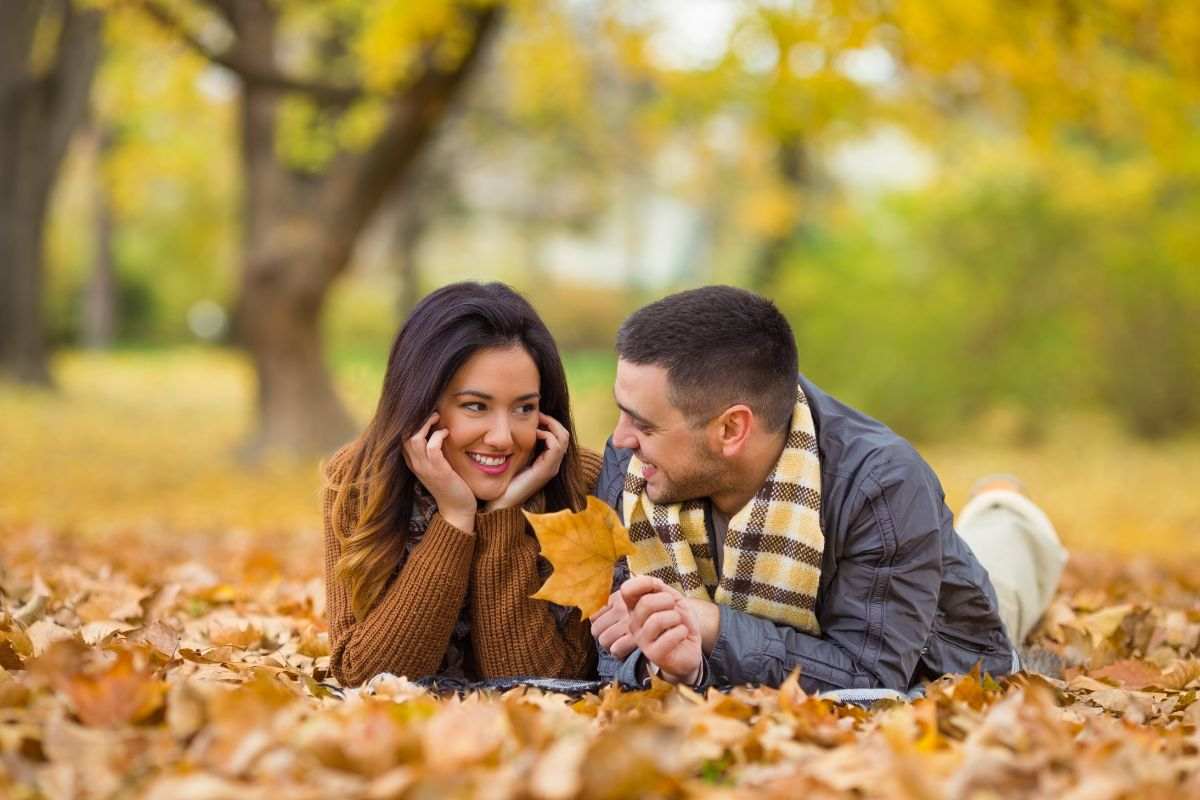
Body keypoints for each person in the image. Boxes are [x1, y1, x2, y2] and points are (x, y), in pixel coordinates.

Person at [589, 286, 1067, 696]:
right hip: (892, 577)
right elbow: (616, 652)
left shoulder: (883, 485)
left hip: (935, 637)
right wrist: (680, 665)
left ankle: (1004, 504)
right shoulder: (638, 464)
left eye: (644, 424)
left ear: (732, 429)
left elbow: (871, 678)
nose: (620, 439)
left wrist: (712, 625)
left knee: (1001, 577)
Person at [323, 282, 601, 687]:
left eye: (525, 408)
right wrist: (455, 519)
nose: (504, 438)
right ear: (422, 405)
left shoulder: (585, 484)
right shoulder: (359, 481)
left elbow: (546, 684)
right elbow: (366, 680)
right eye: (476, 406)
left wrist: (502, 515)